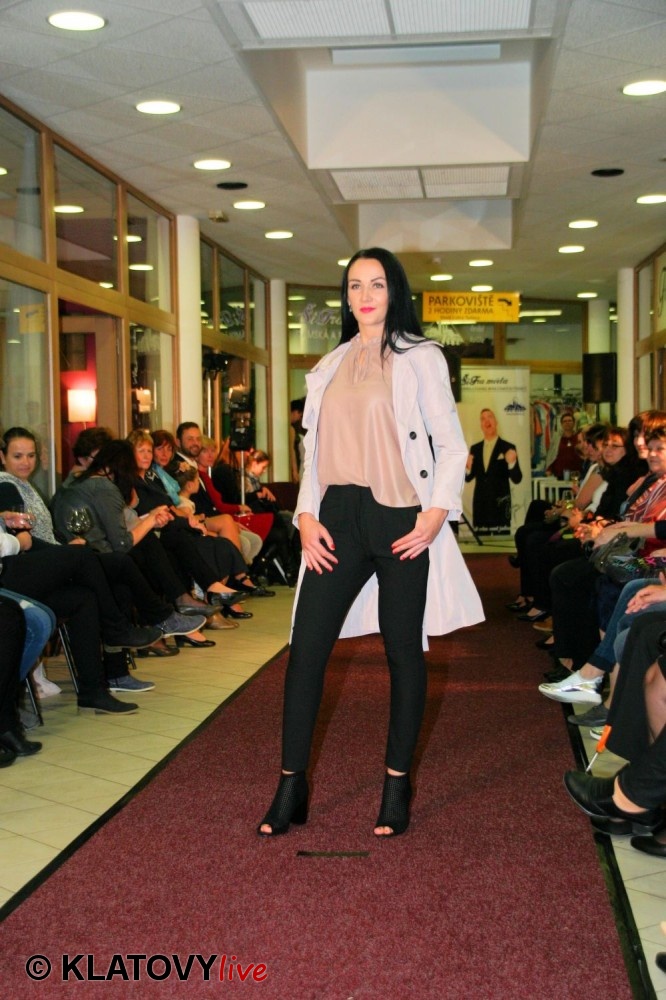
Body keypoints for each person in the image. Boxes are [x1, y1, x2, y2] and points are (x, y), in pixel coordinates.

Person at [258, 247, 484, 839]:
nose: (365, 295)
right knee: (306, 649)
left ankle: (396, 783)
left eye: (377, 284)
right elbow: (312, 453)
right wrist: (305, 516)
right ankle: (291, 785)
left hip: (401, 518)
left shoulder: (421, 357)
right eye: (355, 285)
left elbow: (451, 445)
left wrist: (436, 513)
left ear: (395, 291)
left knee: (403, 651)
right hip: (336, 517)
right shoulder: (329, 365)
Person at [465, 408, 522, 533]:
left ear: (496, 422)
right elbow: (468, 478)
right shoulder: (475, 449)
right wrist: (467, 467)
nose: (487, 421)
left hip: (501, 506)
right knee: (480, 542)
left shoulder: (508, 447)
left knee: (503, 541)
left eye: (490, 417)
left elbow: (517, 479)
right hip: (480, 506)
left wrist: (512, 463)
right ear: (481, 425)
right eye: (483, 419)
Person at [289, 397, 306, 483]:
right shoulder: (291, 429)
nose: (299, 418)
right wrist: (295, 471)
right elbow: (292, 450)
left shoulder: (291, 428)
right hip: (296, 465)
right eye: (300, 415)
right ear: (295, 412)